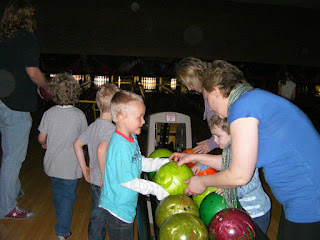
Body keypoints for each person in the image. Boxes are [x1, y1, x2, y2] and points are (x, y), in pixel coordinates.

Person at [170, 59, 320, 240]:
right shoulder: (252, 100)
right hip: (303, 196)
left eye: (208, 99)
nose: (209, 107)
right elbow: (237, 162)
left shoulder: (242, 107)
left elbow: (240, 174)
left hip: (309, 197)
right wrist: (196, 158)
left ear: (216, 91)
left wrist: (203, 182)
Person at [0, 0, 49, 220]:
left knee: (8, 152)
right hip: (16, 106)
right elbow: (32, 72)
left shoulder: (3, 39)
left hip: (1, 102)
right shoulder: (27, 39)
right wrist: (46, 86)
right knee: (13, 157)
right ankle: (6, 206)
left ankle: (13, 188)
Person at [99, 90, 170, 240]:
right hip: (117, 209)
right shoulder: (121, 146)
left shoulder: (130, 137)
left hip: (125, 205)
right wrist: (155, 189)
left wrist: (164, 162)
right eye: (139, 117)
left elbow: (139, 162)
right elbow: (127, 181)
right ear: (122, 118)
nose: (144, 121)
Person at [192, 114, 271, 234]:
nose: (214, 140)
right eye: (213, 136)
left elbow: (251, 184)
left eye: (218, 136)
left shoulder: (246, 155)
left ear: (233, 134)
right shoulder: (229, 151)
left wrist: (231, 191)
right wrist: (201, 165)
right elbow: (222, 161)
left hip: (257, 212)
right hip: (241, 210)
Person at [38, 73, 87, 240]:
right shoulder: (79, 115)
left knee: (58, 195)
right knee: (67, 197)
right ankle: (62, 230)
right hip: (71, 167)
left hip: (52, 165)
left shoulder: (49, 113)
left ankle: (61, 219)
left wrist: (45, 144)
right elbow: (83, 139)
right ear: (75, 93)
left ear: (53, 92)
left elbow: (41, 138)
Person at [74, 84, 120, 240]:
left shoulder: (93, 126)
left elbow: (77, 144)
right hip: (104, 180)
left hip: (94, 179)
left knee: (97, 211)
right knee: (105, 214)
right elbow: (102, 149)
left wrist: (84, 168)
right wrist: (104, 176)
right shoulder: (111, 129)